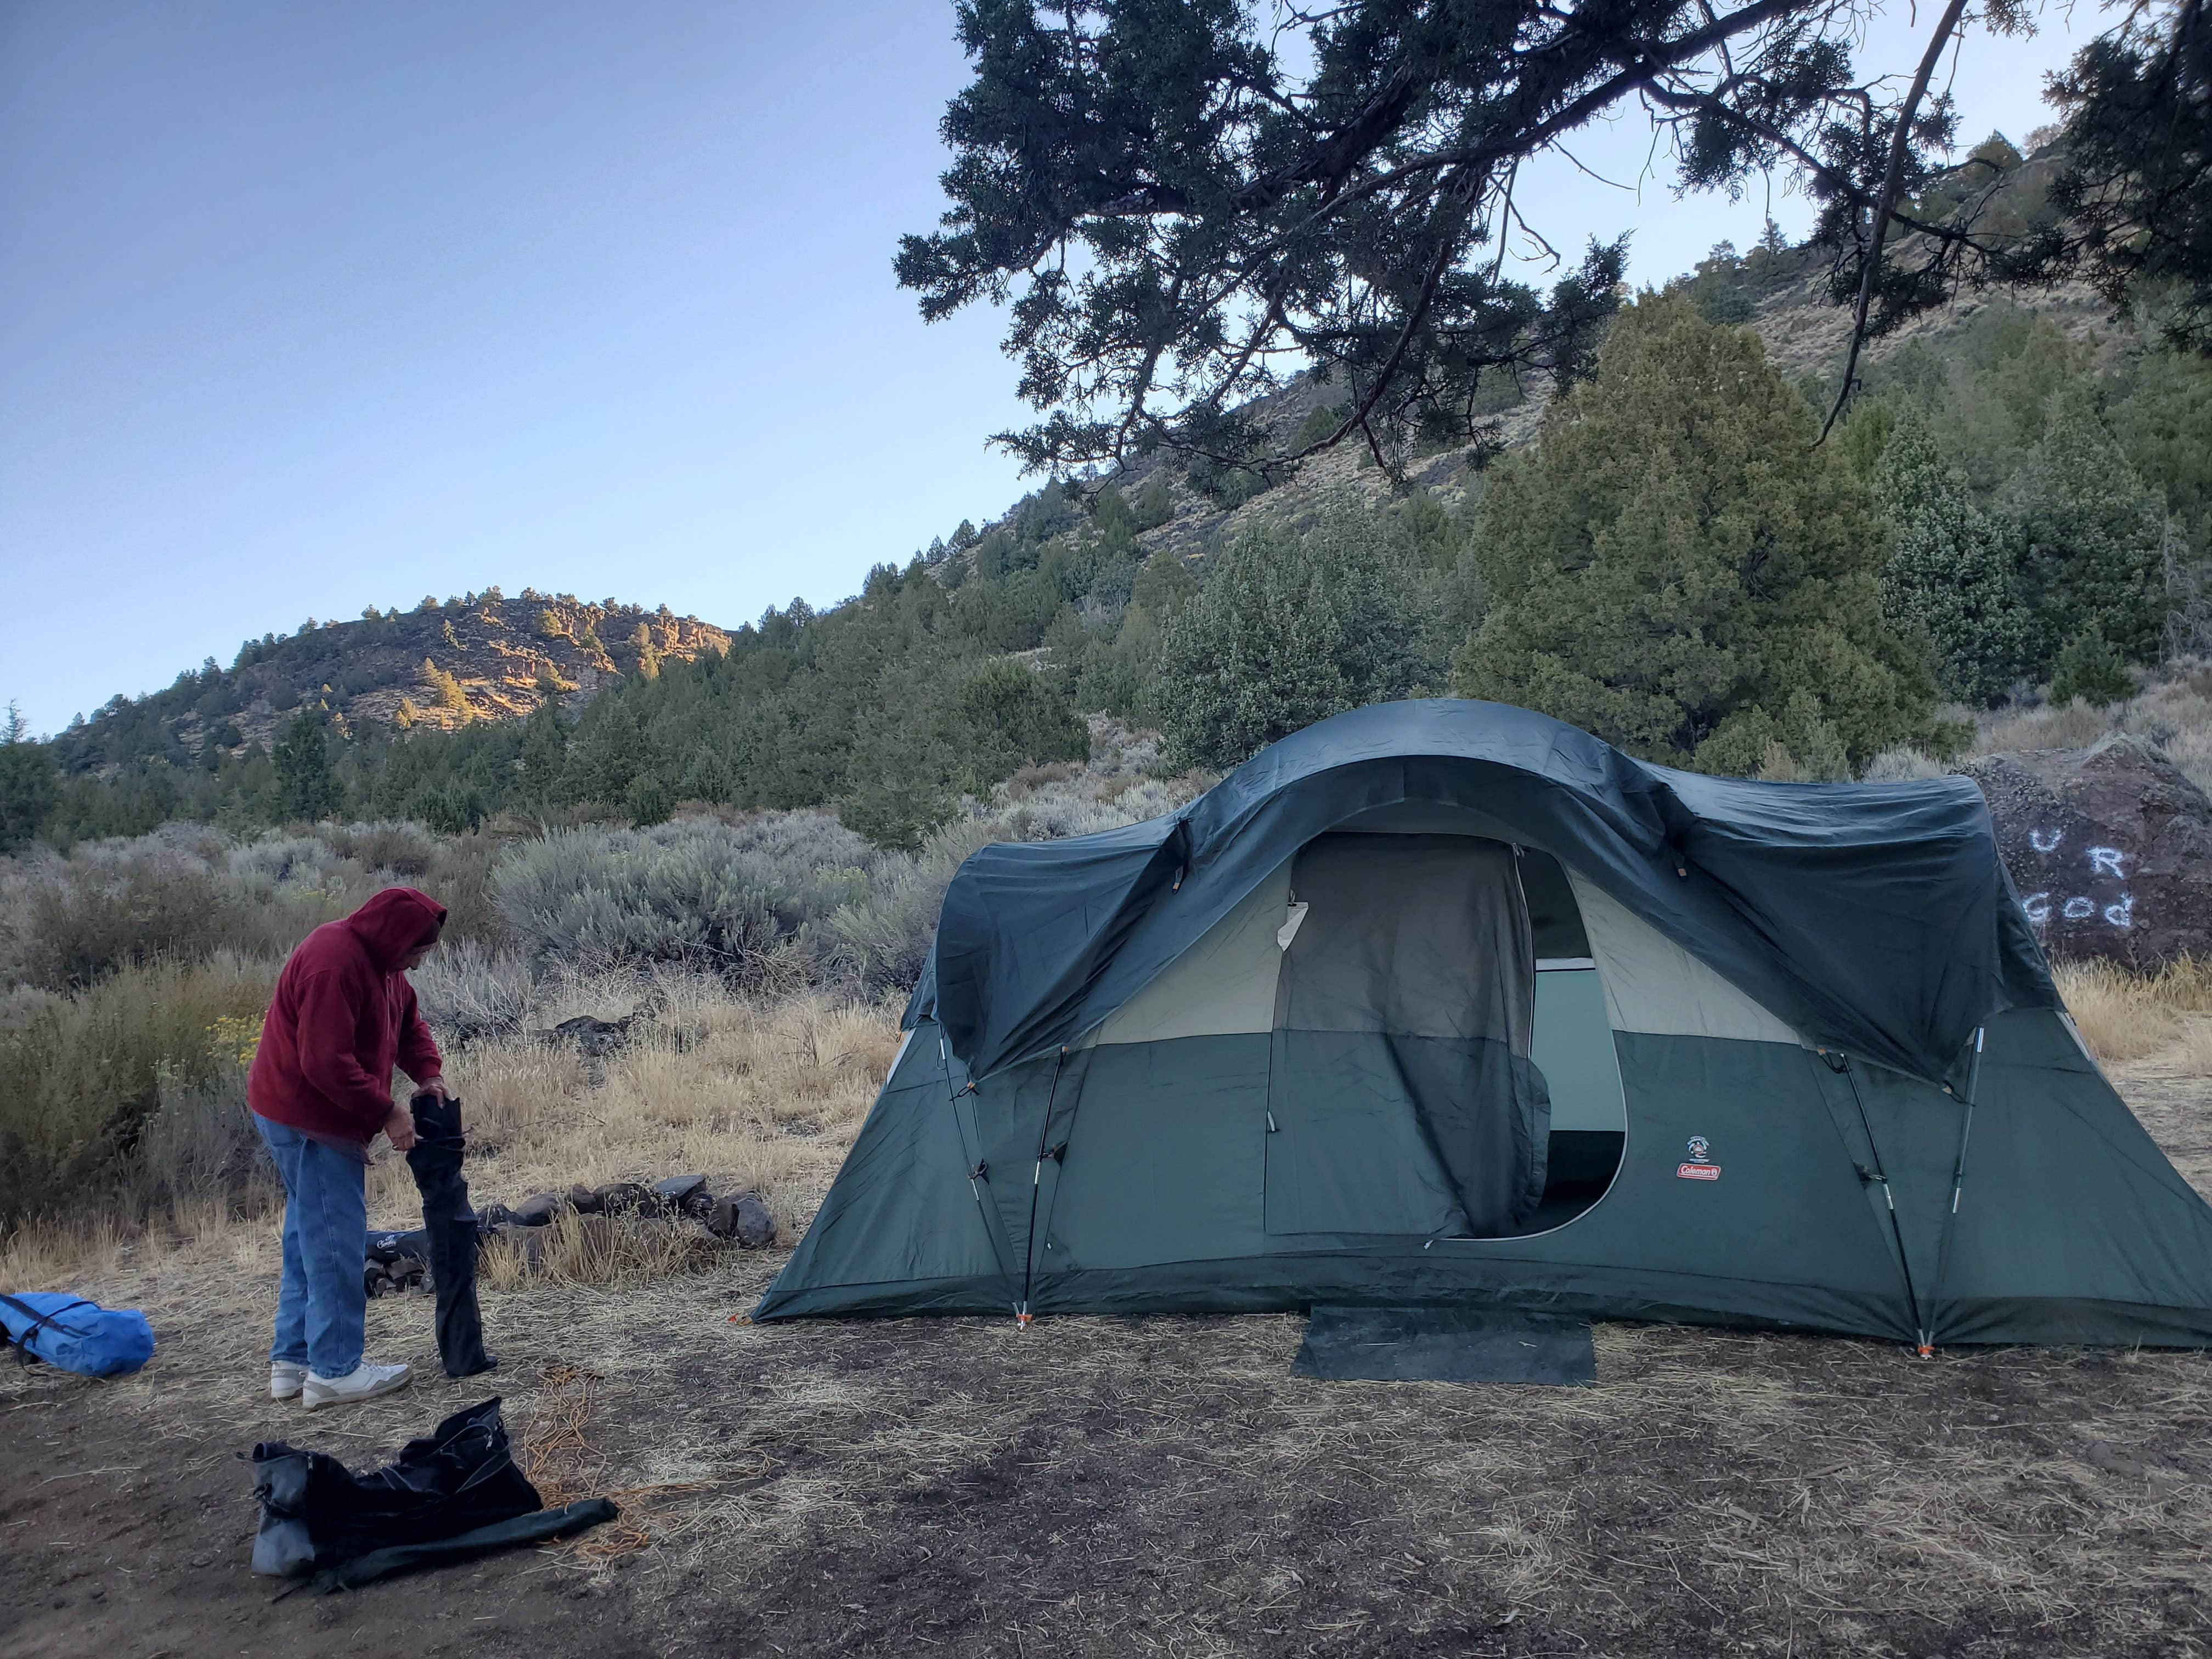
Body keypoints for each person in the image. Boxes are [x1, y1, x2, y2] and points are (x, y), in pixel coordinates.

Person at [247, 885, 449, 1409]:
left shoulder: (385, 968)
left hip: (306, 1115)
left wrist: (427, 1075)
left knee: (306, 1234)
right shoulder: (333, 963)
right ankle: (336, 1371)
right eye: (417, 952)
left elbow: (408, 1027)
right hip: (306, 1120)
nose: (418, 964)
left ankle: (292, 1363)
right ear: (394, 938)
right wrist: (388, 1113)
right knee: (336, 1239)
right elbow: (325, 1063)